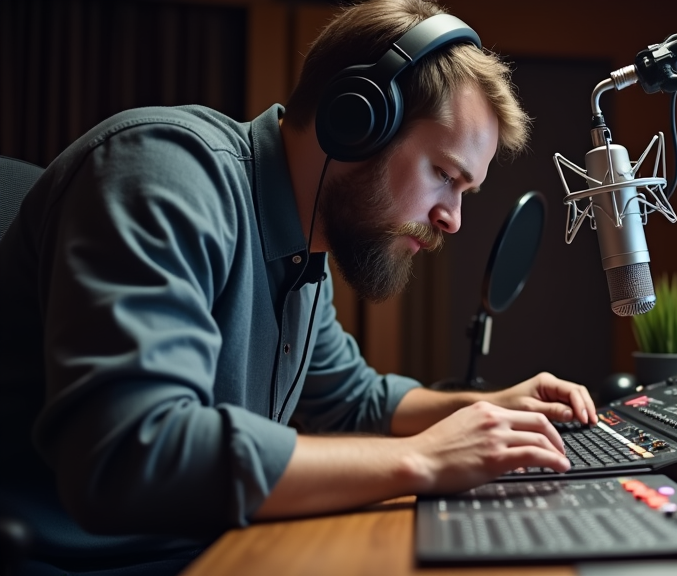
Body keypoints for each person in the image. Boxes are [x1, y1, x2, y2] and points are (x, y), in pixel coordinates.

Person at [0, 0, 597, 574]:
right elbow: (137, 449)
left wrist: (489, 410)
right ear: (356, 120)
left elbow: (355, 402)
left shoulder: (302, 251)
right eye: (443, 174)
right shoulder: (166, 172)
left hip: (199, 551)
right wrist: (424, 459)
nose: (452, 219)